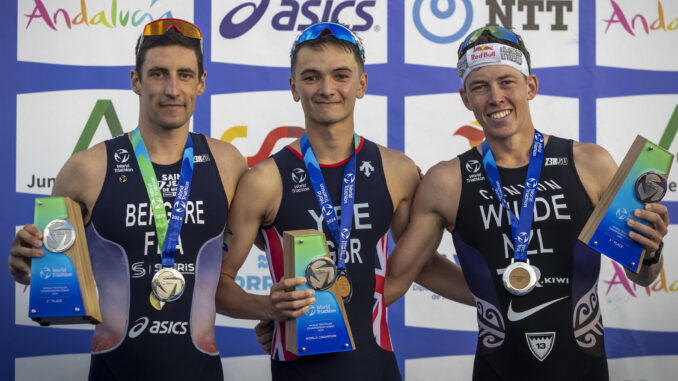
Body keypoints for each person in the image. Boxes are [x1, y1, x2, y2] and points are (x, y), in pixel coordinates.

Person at [385, 26, 669, 380]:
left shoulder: (591, 164)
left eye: (507, 82)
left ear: (530, 86)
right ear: (465, 98)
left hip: (584, 370)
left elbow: (642, 274)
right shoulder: (447, 181)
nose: (495, 97)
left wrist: (652, 252)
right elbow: (408, 272)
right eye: (480, 87)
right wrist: (486, 294)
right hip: (497, 370)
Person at [215, 22, 472, 381]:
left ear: (362, 84)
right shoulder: (264, 181)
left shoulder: (396, 171)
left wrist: (496, 299)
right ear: (293, 87)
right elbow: (217, 284)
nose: (327, 89)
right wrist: (269, 308)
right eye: (311, 77)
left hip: (377, 369)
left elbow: (422, 266)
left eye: (340, 75)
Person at [8, 18, 247, 380]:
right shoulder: (86, 168)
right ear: (135, 80)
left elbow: (262, 243)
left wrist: (272, 312)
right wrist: (26, 267)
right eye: (157, 74)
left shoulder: (228, 163)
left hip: (201, 368)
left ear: (201, 82)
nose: (172, 89)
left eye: (184, 74)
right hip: (114, 370)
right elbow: (44, 269)